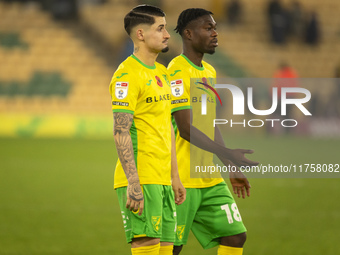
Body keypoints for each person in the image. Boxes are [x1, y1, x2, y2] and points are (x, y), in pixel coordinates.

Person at [168, 8, 259, 255]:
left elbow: (209, 122)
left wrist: (229, 162)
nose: (215, 33)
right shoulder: (177, 71)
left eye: (215, 27)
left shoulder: (209, 72)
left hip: (207, 176)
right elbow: (185, 128)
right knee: (172, 248)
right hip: (180, 178)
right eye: (208, 28)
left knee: (235, 236)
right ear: (188, 34)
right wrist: (228, 151)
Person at [109, 5, 186, 255]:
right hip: (142, 179)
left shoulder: (163, 74)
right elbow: (121, 130)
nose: (167, 35)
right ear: (140, 34)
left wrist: (174, 177)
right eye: (160, 28)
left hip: (163, 180)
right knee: (146, 246)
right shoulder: (127, 75)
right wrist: (133, 181)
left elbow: (168, 128)